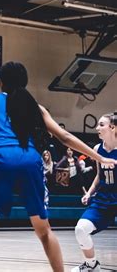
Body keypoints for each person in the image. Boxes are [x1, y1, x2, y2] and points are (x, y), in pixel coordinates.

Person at [0, 61, 117, 272]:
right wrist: (99, 158)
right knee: (44, 232)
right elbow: (64, 136)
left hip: (0, 160)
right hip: (30, 161)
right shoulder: (36, 107)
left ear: (0, 82)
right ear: (25, 83)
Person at [72, 112, 116, 272]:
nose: (97, 128)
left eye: (101, 125)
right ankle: (92, 265)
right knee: (81, 229)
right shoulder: (97, 149)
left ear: (113, 127)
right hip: (103, 200)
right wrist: (89, 193)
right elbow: (99, 175)